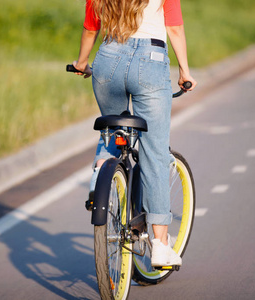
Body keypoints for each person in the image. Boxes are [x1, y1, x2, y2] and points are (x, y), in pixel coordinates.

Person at [72, 0, 197, 266]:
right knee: (154, 153)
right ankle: (161, 244)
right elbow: (174, 29)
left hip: (107, 61)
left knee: (111, 132)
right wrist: (184, 71)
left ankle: (99, 182)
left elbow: (91, 29)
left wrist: (82, 63)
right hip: (150, 63)